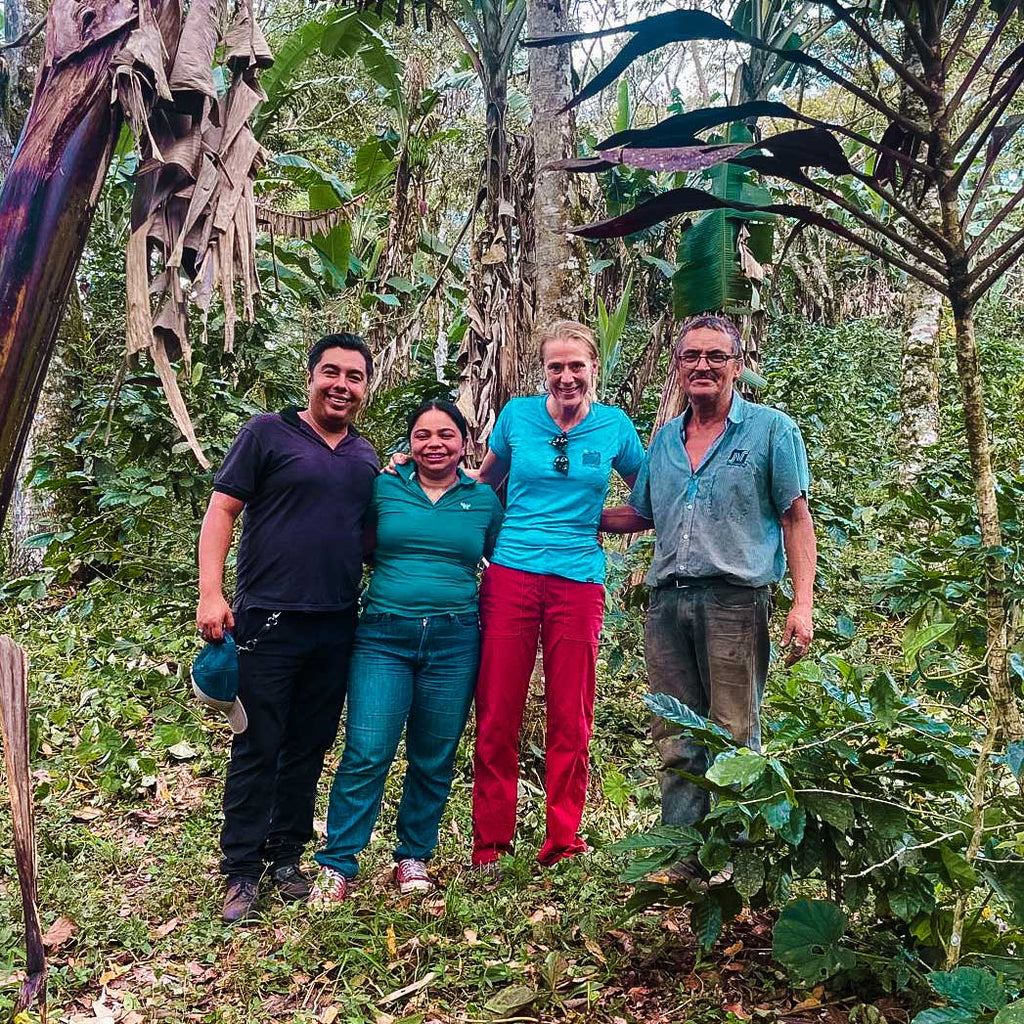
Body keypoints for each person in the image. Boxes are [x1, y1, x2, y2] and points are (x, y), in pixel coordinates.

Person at [601, 313, 816, 854]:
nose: (703, 366)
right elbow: (642, 513)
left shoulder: (771, 430)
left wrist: (802, 604)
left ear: (737, 366)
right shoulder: (666, 442)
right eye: (691, 356)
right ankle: (680, 855)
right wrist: (570, 512)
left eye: (716, 356)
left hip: (734, 602)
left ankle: (734, 857)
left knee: (732, 732)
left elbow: (795, 517)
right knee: (674, 734)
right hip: (667, 604)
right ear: (677, 367)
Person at [195, 333, 379, 923]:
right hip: (266, 621)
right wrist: (210, 593)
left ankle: (285, 855)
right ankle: (241, 871)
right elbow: (222, 509)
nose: (341, 385)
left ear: (366, 388)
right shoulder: (267, 433)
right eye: (332, 372)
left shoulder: (367, 456)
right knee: (258, 743)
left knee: (309, 744)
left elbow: (372, 535)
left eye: (354, 376)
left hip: (336, 624)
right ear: (311, 376)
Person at [470, 320, 645, 871]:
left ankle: (562, 839)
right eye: (556, 366)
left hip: (579, 582)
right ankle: (490, 844)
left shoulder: (615, 427)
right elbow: (482, 487)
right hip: (512, 576)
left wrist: (600, 519)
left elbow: (652, 498)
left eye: (577, 365)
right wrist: (416, 480)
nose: (567, 376)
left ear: (595, 368)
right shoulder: (516, 417)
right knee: (498, 709)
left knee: (572, 714)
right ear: (542, 370)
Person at [312, 400, 503, 902]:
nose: (434, 444)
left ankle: (414, 855)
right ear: (409, 443)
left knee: (433, 755)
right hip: (383, 636)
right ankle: (338, 864)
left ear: (466, 443)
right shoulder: (383, 486)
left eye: (446, 434)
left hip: (456, 638)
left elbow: (505, 561)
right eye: (422, 435)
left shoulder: (482, 499)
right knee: (367, 751)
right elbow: (348, 537)